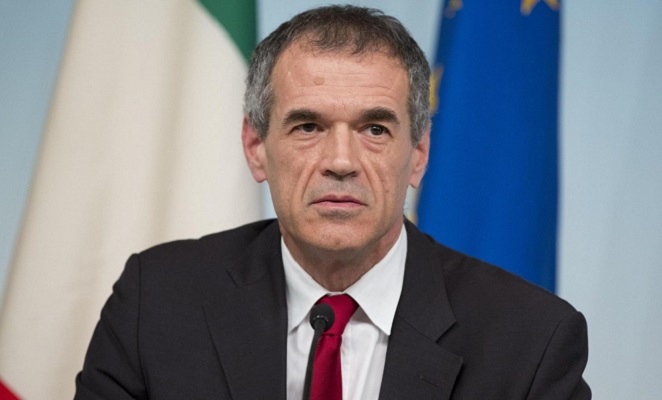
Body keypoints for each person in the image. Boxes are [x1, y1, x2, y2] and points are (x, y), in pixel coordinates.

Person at [75, 5, 590, 400]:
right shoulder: (157, 302)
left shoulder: (531, 340)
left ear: (418, 154)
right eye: (308, 126)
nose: (341, 161)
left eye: (374, 129)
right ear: (256, 148)